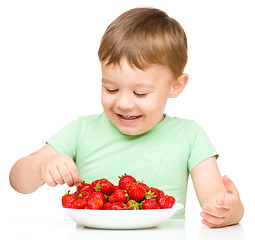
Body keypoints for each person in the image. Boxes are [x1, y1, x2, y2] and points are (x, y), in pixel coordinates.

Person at [9, 7, 244, 228]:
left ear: (176, 86)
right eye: (111, 89)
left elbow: (213, 197)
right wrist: (42, 167)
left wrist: (228, 210)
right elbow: (17, 180)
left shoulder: (189, 135)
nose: (123, 103)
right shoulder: (81, 130)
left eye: (140, 93)